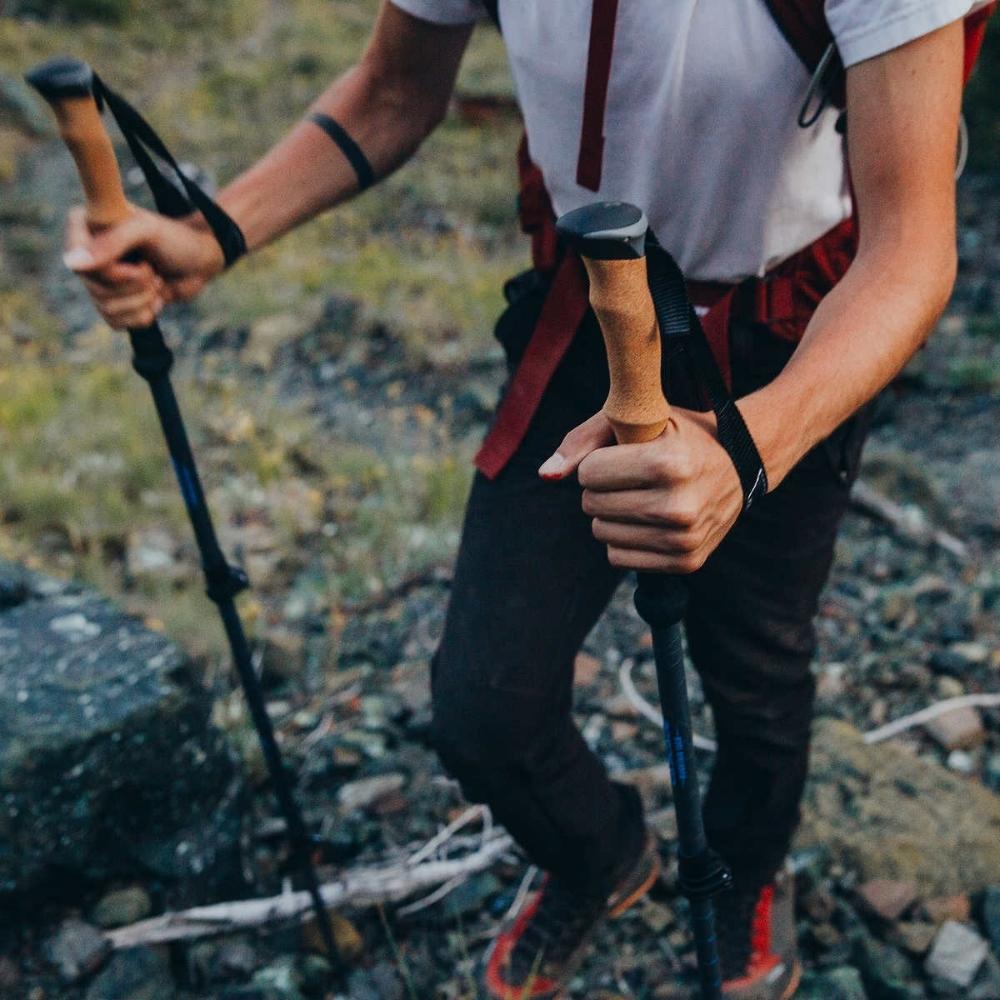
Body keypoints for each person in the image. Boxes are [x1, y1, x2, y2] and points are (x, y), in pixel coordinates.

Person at [63, 2, 991, 996]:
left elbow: (909, 251)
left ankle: (745, 874)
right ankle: (598, 854)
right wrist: (210, 236)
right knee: (483, 707)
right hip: (584, 314)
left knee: (756, 665)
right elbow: (391, 92)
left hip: (788, 338)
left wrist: (746, 453)